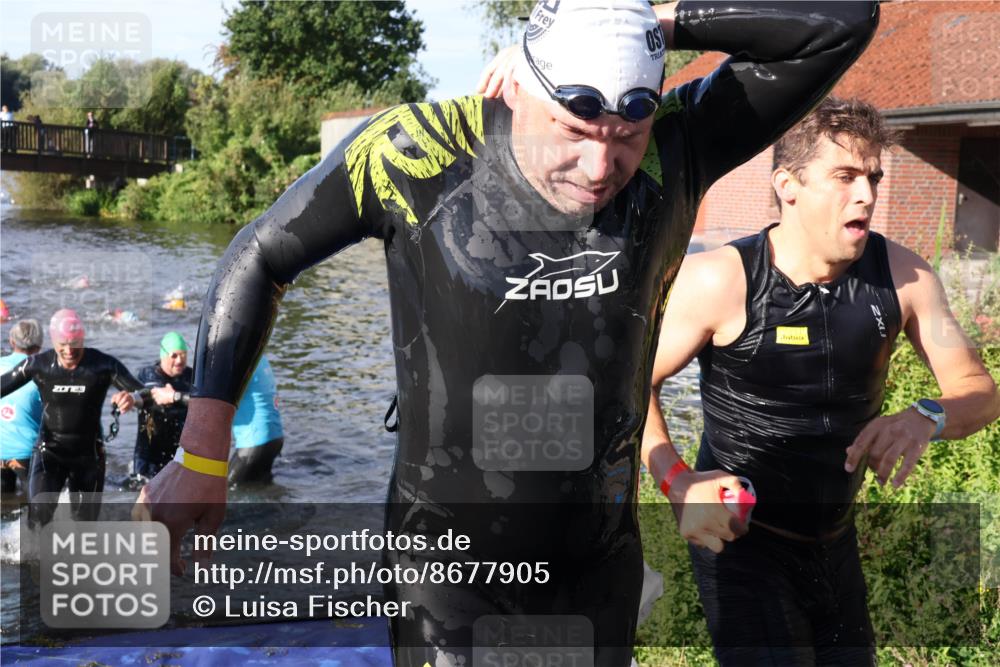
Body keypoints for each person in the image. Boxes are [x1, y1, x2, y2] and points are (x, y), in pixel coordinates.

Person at [136, 2, 879, 664]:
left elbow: (843, 20)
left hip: (595, 566)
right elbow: (262, 252)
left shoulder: (680, 146)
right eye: (575, 128)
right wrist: (202, 451)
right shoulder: (417, 152)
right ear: (519, 84)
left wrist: (661, 20)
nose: (600, 166)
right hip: (444, 573)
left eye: (627, 134)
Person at [641, 96, 1000, 665]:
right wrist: (676, 480)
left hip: (833, 543)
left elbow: (979, 390)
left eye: (873, 177)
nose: (867, 195)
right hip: (742, 540)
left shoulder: (906, 278)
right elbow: (630, 388)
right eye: (845, 177)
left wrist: (925, 416)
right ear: (788, 185)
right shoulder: (721, 280)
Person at [0, 309, 147, 526]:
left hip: (89, 457)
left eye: (75, 343)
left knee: (83, 524)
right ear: (53, 340)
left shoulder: (103, 365)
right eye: (63, 344)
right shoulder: (39, 365)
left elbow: (145, 393)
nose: (69, 350)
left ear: (83, 338)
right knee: (38, 518)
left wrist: (133, 399)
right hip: (49, 452)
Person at [132, 332, 194, 480]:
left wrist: (175, 396)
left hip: (179, 453)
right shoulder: (149, 375)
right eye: (174, 355)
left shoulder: (191, 376)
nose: (179, 361)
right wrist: (181, 398)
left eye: (183, 355)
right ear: (163, 355)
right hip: (149, 455)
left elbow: (205, 403)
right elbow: (157, 396)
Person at [0, 320, 43, 495]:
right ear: (40, 345)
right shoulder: (44, 371)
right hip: (27, 452)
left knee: (4, 508)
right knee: (36, 512)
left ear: (12, 341)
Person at [229, 355, 284, 484]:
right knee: (262, 490)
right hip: (275, 439)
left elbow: (215, 401)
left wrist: (176, 396)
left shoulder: (239, 361)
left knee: (225, 493)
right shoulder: (260, 356)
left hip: (254, 444)